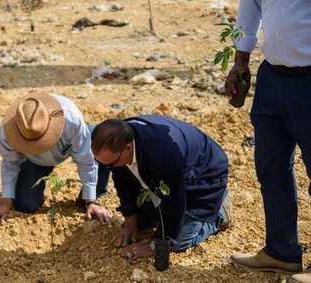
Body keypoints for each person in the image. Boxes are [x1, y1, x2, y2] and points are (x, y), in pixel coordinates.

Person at [226, 1, 311, 280]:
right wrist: (240, 61)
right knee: (271, 168)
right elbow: (250, 7)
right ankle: (281, 251)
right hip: (272, 78)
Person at [91, 116, 230, 261]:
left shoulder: (162, 156)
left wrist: (155, 245)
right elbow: (122, 180)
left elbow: (174, 202)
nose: (109, 168)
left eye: (111, 164)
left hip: (204, 172)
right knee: (143, 222)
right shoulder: (119, 139)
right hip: (172, 170)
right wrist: (130, 222)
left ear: (128, 148)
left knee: (177, 240)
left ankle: (219, 213)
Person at [0, 93, 111, 226]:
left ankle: (90, 197)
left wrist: (90, 200)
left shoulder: (71, 119)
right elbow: (10, 164)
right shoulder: (7, 133)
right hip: (34, 161)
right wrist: (5, 202)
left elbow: (86, 160)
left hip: (70, 145)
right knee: (26, 205)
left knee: (102, 140)